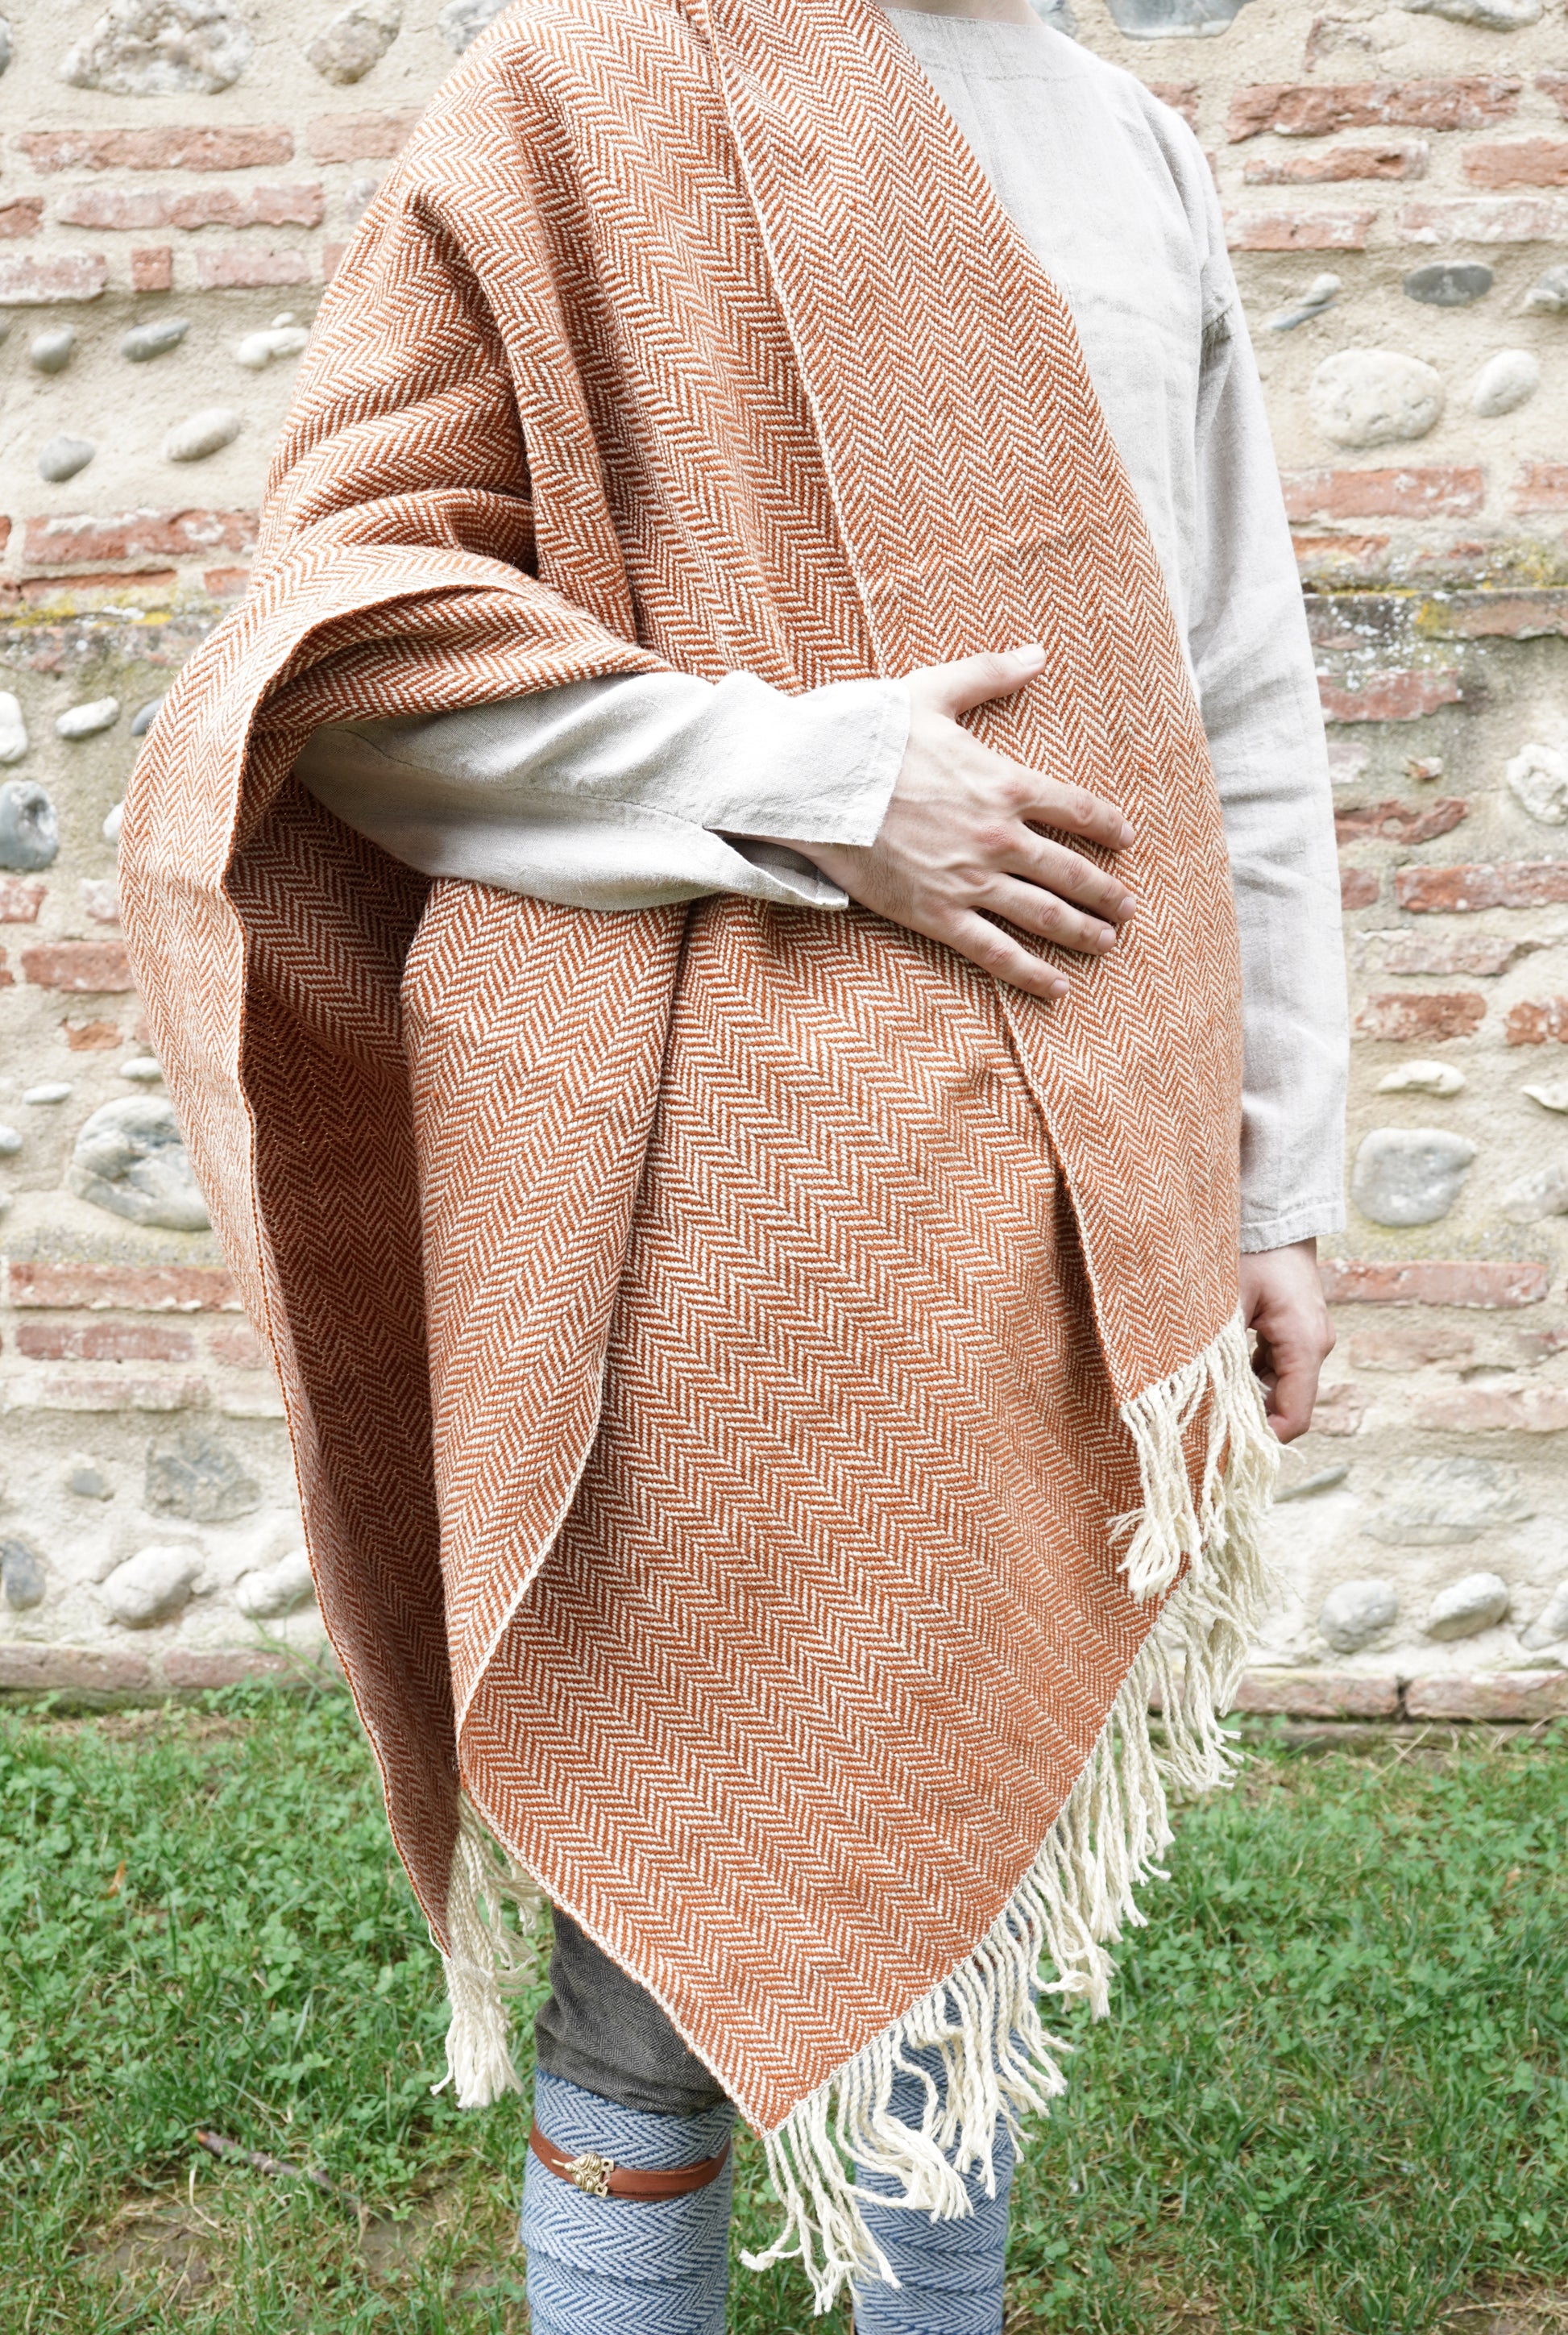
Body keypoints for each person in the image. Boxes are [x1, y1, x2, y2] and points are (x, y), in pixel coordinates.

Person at [119, 1, 1346, 2328]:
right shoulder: (576, 94)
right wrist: (801, 777)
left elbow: (1231, 685)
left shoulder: (1123, 143)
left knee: (957, 1940)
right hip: (700, 1223)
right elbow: (333, 654)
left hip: (1055, 1214)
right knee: (647, 1969)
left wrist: (1272, 1178)